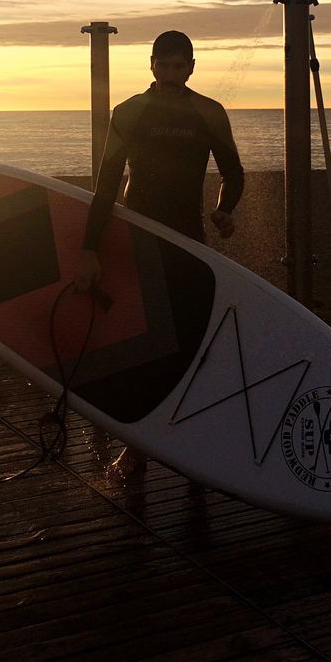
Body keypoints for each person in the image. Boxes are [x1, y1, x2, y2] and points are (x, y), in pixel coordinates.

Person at [73, 29, 245, 476]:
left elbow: (233, 173)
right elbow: (106, 185)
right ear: (151, 64)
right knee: (138, 339)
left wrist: (224, 210)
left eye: (179, 66)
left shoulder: (209, 112)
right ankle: (137, 445)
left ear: (191, 67)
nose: (170, 74)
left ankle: (192, 432)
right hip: (137, 235)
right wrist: (89, 249)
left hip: (186, 237)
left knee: (190, 338)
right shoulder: (129, 112)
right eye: (163, 65)